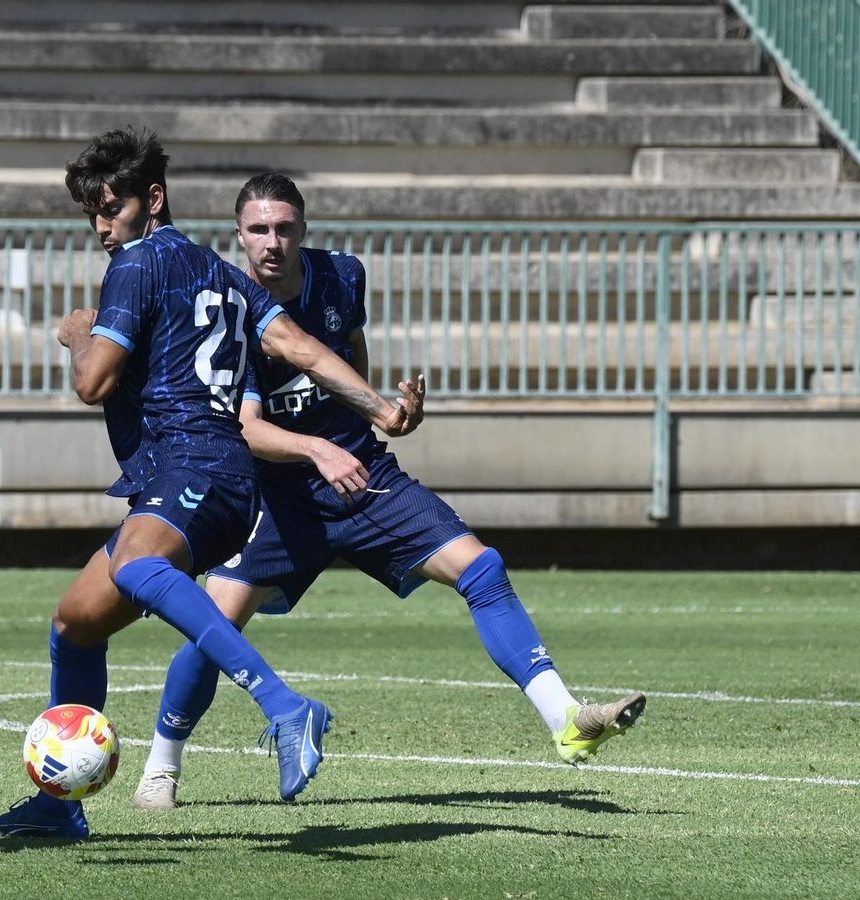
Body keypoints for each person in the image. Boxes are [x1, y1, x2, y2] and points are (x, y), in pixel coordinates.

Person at [129, 173, 647, 811]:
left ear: (304, 232)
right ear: (238, 236)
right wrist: (317, 449)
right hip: (275, 497)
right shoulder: (228, 306)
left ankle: (567, 719)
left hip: (364, 476)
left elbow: (347, 357)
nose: (272, 242)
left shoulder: (343, 277)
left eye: (284, 228)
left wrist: (383, 413)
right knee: (214, 624)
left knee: (482, 567)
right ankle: (162, 767)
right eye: (258, 230)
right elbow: (248, 427)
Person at [0, 129, 422, 840]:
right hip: (206, 477)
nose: (100, 228)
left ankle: (283, 704)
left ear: (153, 200)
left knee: (144, 563)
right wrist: (381, 408)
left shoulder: (137, 265)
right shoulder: (222, 271)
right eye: (91, 213)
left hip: (194, 466)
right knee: (75, 624)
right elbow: (301, 347)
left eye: (109, 210)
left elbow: (93, 382)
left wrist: (78, 331)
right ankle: (59, 810)